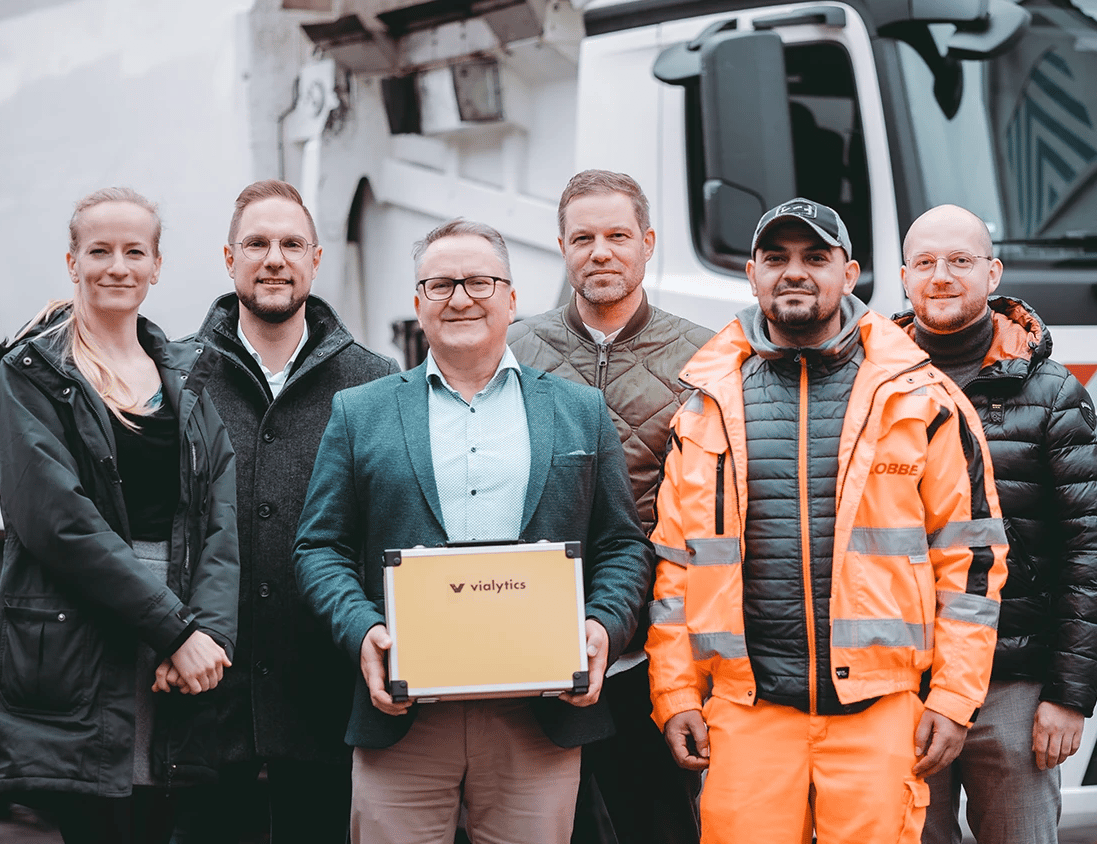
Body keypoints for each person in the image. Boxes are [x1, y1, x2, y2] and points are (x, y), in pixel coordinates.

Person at [645, 198, 1008, 844]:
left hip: (878, 714)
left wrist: (955, 697)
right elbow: (676, 565)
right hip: (747, 713)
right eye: (776, 258)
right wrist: (674, 693)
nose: (795, 272)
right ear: (752, 276)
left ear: (852, 274)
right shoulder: (705, 408)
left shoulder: (922, 399)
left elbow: (972, 561)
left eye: (816, 257)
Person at [293, 218, 653, 844]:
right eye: (440, 284)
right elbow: (319, 547)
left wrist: (601, 625)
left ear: (512, 298)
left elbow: (622, 545)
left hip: (538, 720)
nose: (460, 297)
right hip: (403, 715)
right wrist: (364, 632)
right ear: (418, 303)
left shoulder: (578, 411)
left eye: (479, 281)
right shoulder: (361, 412)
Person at [0, 188, 238, 844]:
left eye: (134, 251)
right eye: (99, 250)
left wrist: (211, 638)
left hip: (180, 631)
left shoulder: (190, 375)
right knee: (101, 824)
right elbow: (59, 521)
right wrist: (176, 632)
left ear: (157, 265)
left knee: (166, 819)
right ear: (72, 262)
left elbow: (220, 514)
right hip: (89, 627)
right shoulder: (31, 374)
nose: (117, 266)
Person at [170, 180, 399, 843]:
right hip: (205, 705)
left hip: (327, 697)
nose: (274, 258)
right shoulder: (179, 376)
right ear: (228, 257)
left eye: (291, 243)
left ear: (316, 258)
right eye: (258, 243)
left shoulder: (374, 379)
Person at [895, 204, 1097, 844]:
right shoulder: (870, 387)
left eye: (960, 262)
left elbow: (1095, 550)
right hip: (902, 686)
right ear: (904, 278)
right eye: (926, 263)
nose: (942, 276)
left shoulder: (1052, 395)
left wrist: (1069, 695)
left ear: (992, 273)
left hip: (1014, 688)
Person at [508, 169, 713, 844]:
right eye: (584, 237)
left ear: (648, 242)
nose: (601, 252)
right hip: (539, 636)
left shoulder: (705, 355)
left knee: (661, 823)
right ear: (561, 247)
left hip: (659, 644)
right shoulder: (516, 349)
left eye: (618, 235)